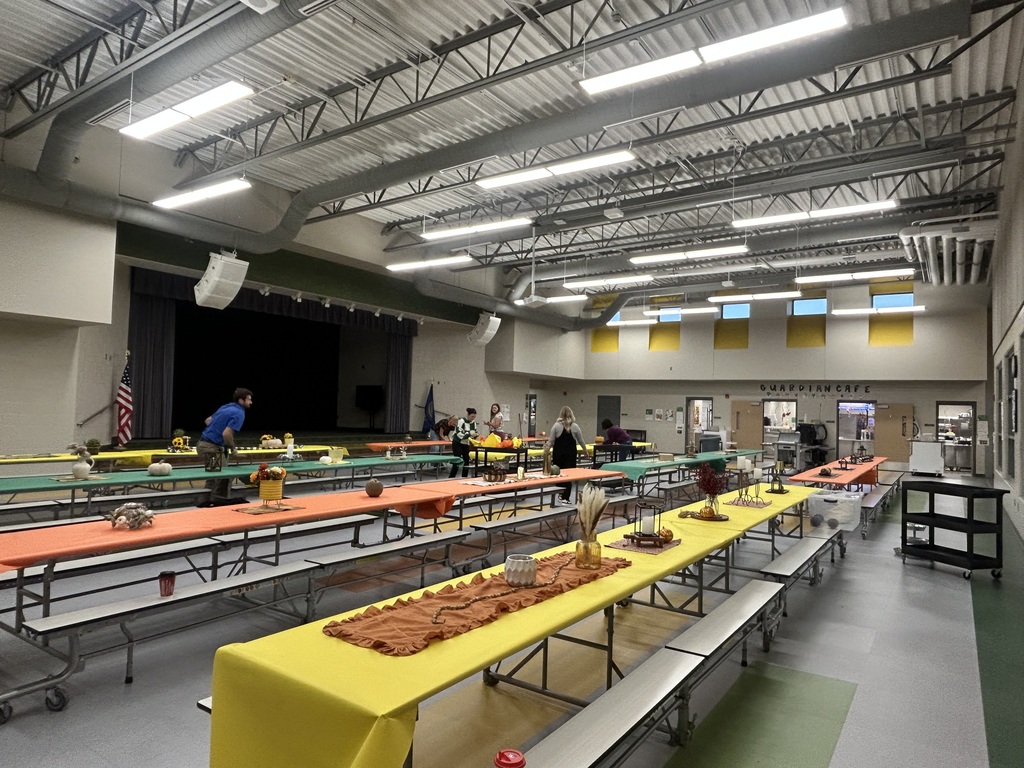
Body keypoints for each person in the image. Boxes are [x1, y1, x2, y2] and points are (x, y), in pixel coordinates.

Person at [197, 387, 253, 504]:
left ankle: (204, 503)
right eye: (248, 400)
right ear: (241, 400)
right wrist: (233, 450)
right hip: (210, 447)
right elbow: (226, 434)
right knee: (225, 476)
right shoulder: (239, 413)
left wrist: (215, 432)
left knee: (213, 477)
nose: (251, 402)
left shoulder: (226, 407)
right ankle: (220, 505)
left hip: (204, 444)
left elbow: (208, 420)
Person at [547, 406, 590, 505]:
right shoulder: (575, 426)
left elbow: (551, 441)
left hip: (558, 454)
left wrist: (546, 451)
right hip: (570, 455)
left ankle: (559, 494)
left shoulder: (556, 426)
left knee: (558, 474)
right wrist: (585, 450)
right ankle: (565, 497)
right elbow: (581, 440)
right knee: (569, 476)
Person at [448, 407, 478, 478]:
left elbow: (475, 432)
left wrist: (475, 435)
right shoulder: (461, 421)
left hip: (465, 443)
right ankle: (451, 477)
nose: (473, 418)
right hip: (457, 442)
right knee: (457, 460)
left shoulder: (474, 423)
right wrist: (469, 434)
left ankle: (464, 477)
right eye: (472, 416)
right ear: (468, 415)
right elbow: (459, 433)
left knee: (466, 460)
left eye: (474, 417)